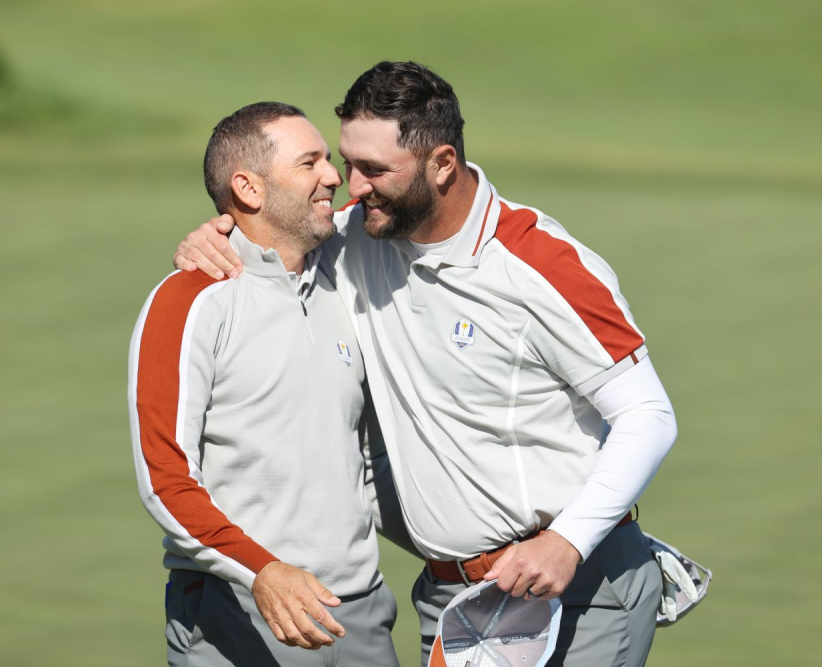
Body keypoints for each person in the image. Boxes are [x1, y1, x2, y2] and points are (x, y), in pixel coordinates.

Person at [175, 62, 678, 667]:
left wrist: (567, 542)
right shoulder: (357, 238)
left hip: (574, 586)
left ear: (442, 164)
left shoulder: (542, 264)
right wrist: (215, 236)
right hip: (452, 598)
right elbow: (274, 233)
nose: (349, 185)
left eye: (375, 170)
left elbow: (648, 414)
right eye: (345, 161)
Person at [129, 102, 403, 666]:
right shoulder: (187, 301)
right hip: (242, 609)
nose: (334, 176)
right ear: (248, 189)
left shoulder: (346, 268)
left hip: (361, 617)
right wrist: (262, 570)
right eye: (311, 162)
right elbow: (166, 479)